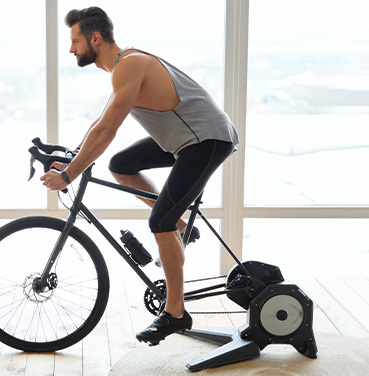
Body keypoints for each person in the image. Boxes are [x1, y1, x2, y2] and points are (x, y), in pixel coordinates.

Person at [40, 7, 239, 346]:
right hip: (182, 140)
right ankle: (177, 226)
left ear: (95, 38)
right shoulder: (121, 69)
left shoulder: (130, 64)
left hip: (207, 140)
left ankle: (175, 312)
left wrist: (71, 175)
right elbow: (99, 123)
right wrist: (72, 157)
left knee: (158, 221)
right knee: (121, 164)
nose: (71, 49)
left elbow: (107, 131)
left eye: (74, 41)